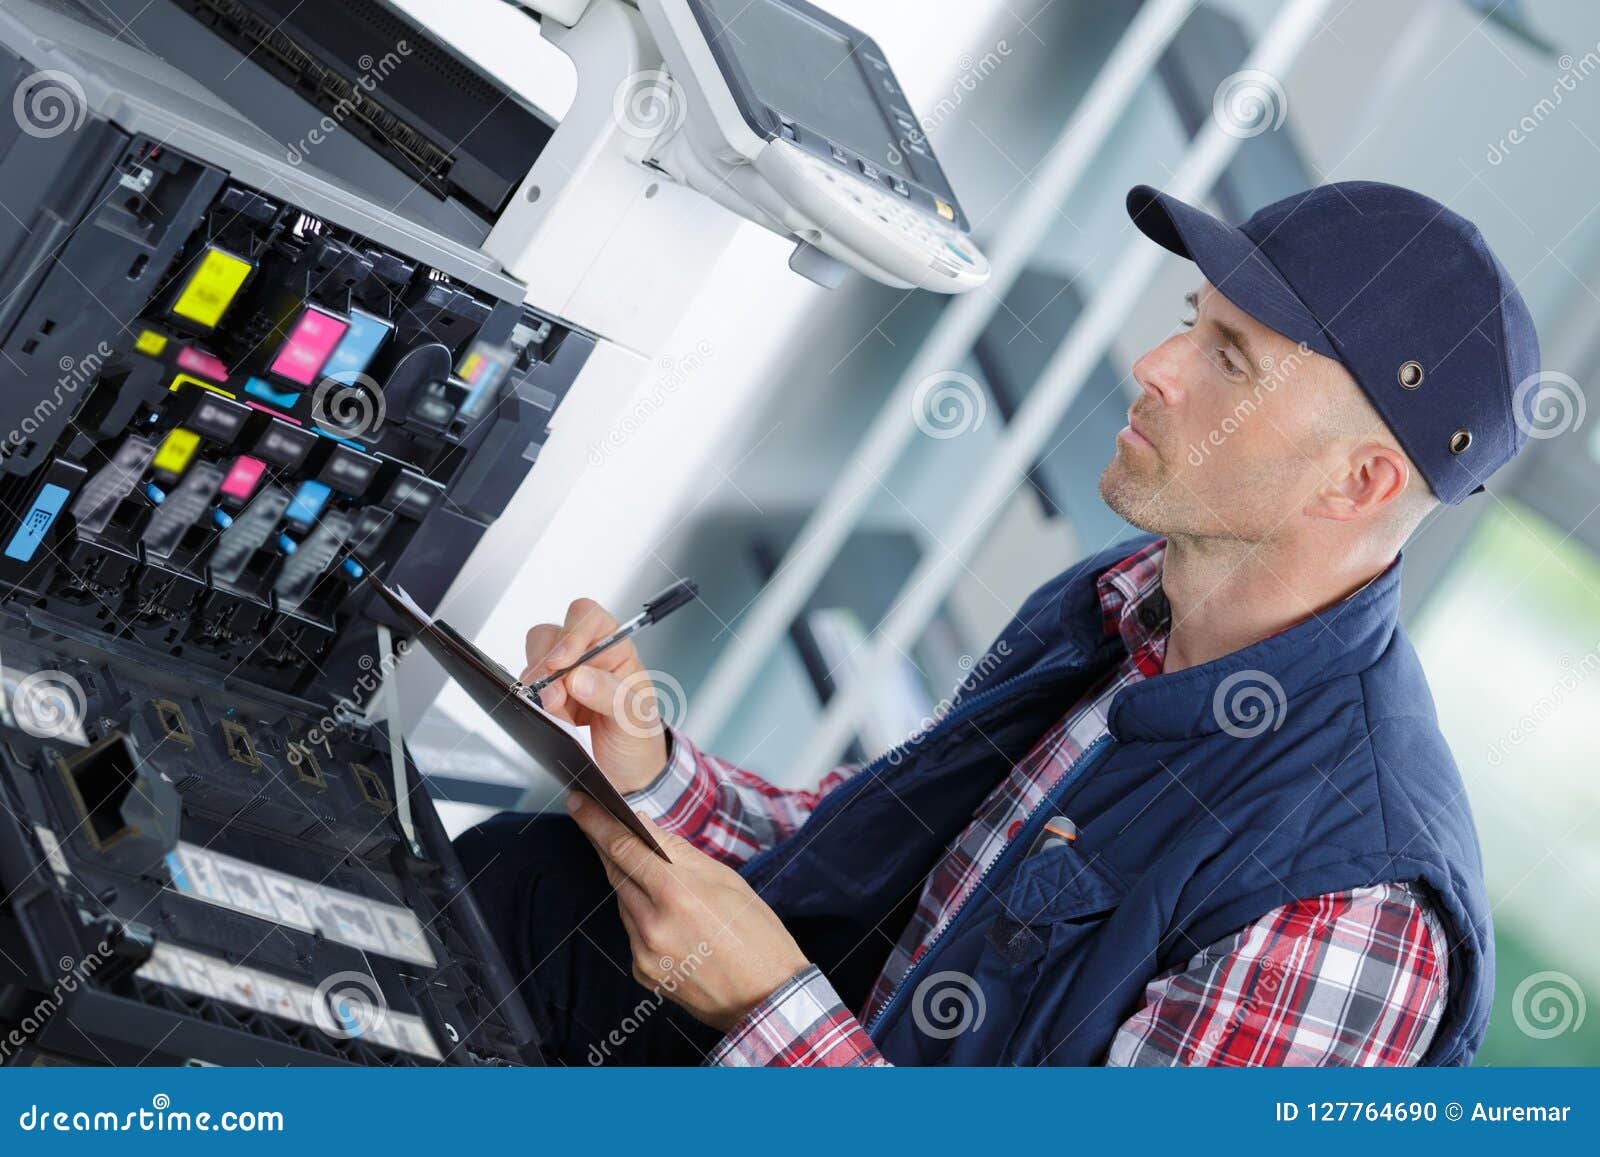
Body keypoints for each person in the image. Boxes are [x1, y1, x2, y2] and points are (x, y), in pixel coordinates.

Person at [456, 180, 1540, 1066]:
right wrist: (651, 766)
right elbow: (871, 859)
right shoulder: (1130, 607)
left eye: (1230, 359)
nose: (1153, 367)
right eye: (1188, 324)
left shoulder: (1348, 906)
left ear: (1355, 484)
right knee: (536, 880)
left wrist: (765, 1001)